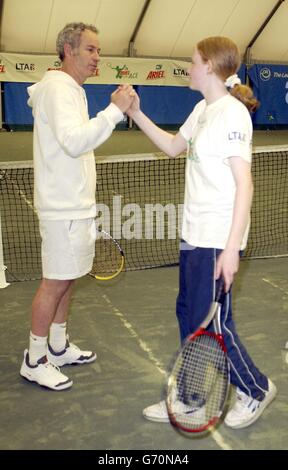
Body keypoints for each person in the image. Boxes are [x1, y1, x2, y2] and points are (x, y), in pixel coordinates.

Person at [126, 36, 277, 429]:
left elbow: (245, 185)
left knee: (212, 323)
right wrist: (137, 114)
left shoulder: (231, 114)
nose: (188, 68)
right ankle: (192, 398)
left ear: (209, 65)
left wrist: (231, 250)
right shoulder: (202, 110)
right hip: (193, 235)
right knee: (190, 317)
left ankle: (255, 388)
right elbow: (174, 147)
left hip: (215, 239)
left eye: (192, 62)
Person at [20, 22, 134, 391]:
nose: (97, 57)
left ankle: (57, 345)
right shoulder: (57, 89)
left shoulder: (72, 90)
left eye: (98, 50)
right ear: (68, 50)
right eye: (90, 49)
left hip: (77, 204)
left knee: (68, 277)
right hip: (61, 207)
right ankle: (35, 359)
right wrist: (114, 112)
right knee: (54, 281)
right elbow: (73, 141)